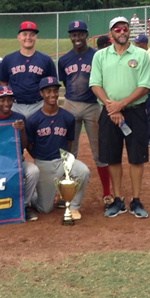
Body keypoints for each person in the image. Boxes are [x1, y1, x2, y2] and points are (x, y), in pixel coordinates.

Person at [89, 16, 150, 219]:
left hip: (134, 112)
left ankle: (136, 200)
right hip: (109, 113)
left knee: (136, 157)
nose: (122, 32)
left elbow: (145, 86)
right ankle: (118, 199)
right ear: (111, 34)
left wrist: (121, 104)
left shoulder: (141, 55)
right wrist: (112, 106)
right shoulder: (100, 56)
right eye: (117, 29)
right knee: (112, 157)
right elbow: (95, 84)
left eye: (125, 29)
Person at [57, 20, 113, 203]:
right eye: (74, 34)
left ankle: (106, 192)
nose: (77, 37)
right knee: (69, 150)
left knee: (99, 151)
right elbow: (65, 82)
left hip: (92, 105)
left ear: (87, 35)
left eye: (81, 33)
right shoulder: (64, 59)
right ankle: (68, 189)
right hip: (71, 104)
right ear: (70, 36)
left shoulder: (97, 55)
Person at [25, 77, 91, 218]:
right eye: (48, 91)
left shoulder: (67, 117)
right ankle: (34, 195)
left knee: (83, 171)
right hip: (43, 163)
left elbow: (69, 142)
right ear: (41, 93)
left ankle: (73, 207)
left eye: (55, 91)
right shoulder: (33, 119)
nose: (53, 94)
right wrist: (40, 156)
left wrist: (64, 163)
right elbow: (30, 145)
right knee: (45, 209)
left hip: (62, 160)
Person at [0, 85, 41, 220]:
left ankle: (24, 206)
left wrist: (21, 130)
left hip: (16, 160)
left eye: (9, 100)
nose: (6, 103)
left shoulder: (19, 118)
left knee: (33, 171)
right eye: (2, 100)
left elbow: (24, 146)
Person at [0, 20, 56, 118]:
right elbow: (3, 83)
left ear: (36, 37)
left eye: (32, 35)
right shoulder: (8, 59)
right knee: (16, 133)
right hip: (15, 106)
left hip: (39, 105)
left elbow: (52, 84)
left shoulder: (46, 59)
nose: (28, 37)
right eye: (24, 34)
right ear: (18, 37)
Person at [133, 33, 150, 148]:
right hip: (136, 88)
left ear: (144, 44)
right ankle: (140, 136)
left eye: (138, 44)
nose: (136, 45)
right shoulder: (134, 54)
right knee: (138, 114)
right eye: (136, 43)